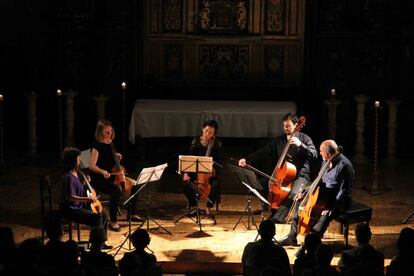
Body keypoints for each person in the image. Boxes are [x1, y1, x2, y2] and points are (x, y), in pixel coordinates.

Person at [238, 112, 318, 222]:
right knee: (262, 185)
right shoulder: (279, 140)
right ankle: (274, 211)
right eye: (284, 125)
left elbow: (314, 154)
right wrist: (247, 159)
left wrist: (301, 145)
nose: (285, 128)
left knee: (293, 193)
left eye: (288, 125)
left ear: (296, 125)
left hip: (301, 175)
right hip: (283, 175)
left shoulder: (304, 139)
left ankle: (277, 218)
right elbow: (263, 152)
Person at [277, 139, 354, 249]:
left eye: (321, 151)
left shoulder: (345, 166)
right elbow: (318, 180)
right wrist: (304, 193)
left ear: (328, 154)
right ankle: (291, 236)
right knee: (299, 202)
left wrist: (331, 207)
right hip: (322, 196)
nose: (320, 153)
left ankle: (309, 243)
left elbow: (344, 192)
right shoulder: (326, 161)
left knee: (323, 216)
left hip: (337, 201)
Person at [89, 119, 143, 232]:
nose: (109, 134)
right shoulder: (97, 146)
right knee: (116, 191)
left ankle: (132, 214)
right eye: (106, 132)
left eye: (110, 131)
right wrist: (102, 171)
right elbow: (92, 166)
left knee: (135, 185)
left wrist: (116, 157)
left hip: (112, 175)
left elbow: (110, 160)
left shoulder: (111, 143)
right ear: (100, 132)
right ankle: (113, 222)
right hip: (99, 178)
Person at [59, 146, 112, 249]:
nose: (80, 161)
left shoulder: (76, 172)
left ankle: (102, 241)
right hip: (71, 209)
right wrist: (87, 199)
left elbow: (77, 187)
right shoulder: (68, 177)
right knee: (96, 218)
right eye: (78, 159)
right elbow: (70, 197)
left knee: (103, 213)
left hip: (78, 205)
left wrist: (83, 182)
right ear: (73, 161)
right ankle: (95, 244)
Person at [181, 119, 223, 219]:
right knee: (184, 182)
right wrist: (186, 173)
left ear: (214, 134)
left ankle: (208, 207)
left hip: (209, 173)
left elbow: (219, 162)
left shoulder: (216, 144)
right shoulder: (196, 141)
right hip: (195, 171)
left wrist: (213, 167)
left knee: (216, 184)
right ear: (202, 130)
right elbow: (189, 159)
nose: (207, 134)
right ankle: (194, 206)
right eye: (206, 131)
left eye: (211, 132)